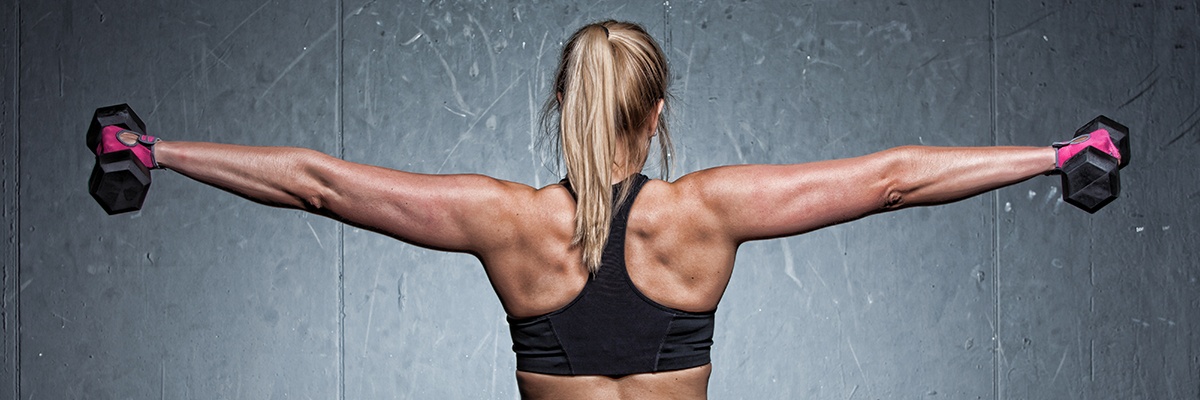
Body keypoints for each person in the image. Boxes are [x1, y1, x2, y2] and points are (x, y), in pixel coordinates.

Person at [95, 20, 1120, 400]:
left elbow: (316, 182)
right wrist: (1056, 157)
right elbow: (895, 176)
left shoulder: (505, 222)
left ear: (561, 108)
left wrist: (158, 152)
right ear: (658, 113)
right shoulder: (708, 213)